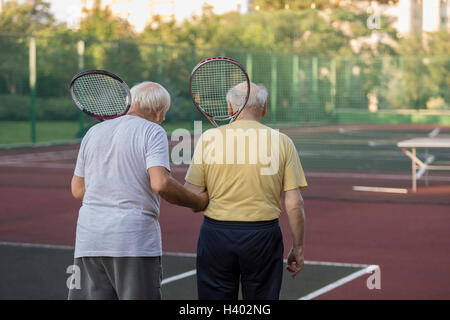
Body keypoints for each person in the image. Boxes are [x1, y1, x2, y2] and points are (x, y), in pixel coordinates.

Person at [69, 81, 208, 300]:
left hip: (89, 238)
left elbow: (77, 190)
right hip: (131, 240)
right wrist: (198, 202)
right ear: (160, 111)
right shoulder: (153, 131)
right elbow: (161, 183)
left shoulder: (93, 132)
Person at [184, 82, 307, 300]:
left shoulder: (208, 139)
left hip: (216, 235)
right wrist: (298, 246)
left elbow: (191, 195)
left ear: (230, 108)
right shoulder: (283, 142)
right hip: (263, 236)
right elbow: (294, 203)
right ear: (264, 107)